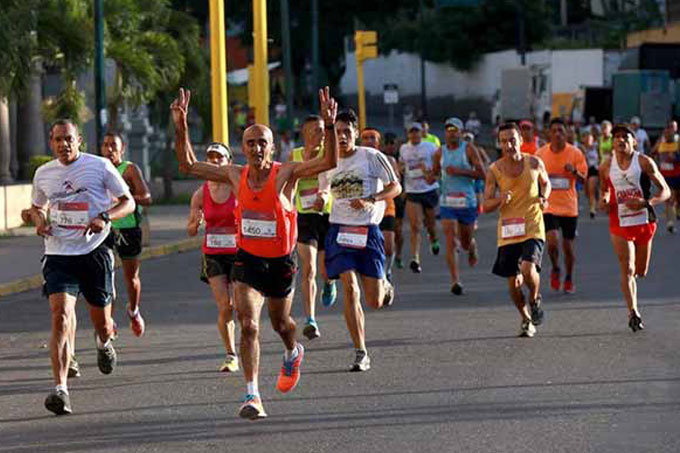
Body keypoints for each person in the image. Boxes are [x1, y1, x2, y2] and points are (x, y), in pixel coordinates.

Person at [172, 87, 339, 420]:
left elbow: (329, 161)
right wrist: (181, 126)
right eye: (250, 142)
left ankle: (293, 351)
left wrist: (330, 127)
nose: (257, 148)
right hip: (247, 258)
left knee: (281, 323)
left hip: (280, 262)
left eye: (263, 142)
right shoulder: (236, 174)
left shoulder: (287, 172)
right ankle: (253, 395)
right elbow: (189, 165)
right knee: (247, 324)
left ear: (272, 148)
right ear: (243, 148)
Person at [22, 119, 134, 415]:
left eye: (68, 139)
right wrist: (38, 220)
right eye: (58, 140)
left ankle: (103, 343)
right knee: (60, 316)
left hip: (94, 252)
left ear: (79, 140)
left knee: (102, 322)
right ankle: (60, 389)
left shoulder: (99, 166)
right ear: (51, 142)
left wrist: (105, 218)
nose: (63, 145)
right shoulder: (44, 173)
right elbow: (36, 207)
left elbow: (129, 202)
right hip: (58, 253)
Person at [320, 109, 401, 371]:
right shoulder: (327, 162)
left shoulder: (371, 156)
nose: (342, 137)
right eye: (337, 132)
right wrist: (322, 199)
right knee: (350, 288)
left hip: (368, 231)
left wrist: (371, 199)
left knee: (375, 301)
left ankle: (384, 284)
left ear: (355, 133)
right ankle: (360, 351)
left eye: (346, 131)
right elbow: (322, 190)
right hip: (340, 231)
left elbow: (395, 187)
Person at [599, 124, 670, 331]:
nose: (620, 140)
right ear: (612, 142)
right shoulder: (606, 165)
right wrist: (604, 200)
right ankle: (633, 312)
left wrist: (646, 202)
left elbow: (665, 191)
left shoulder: (644, 162)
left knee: (640, 270)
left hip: (644, 221)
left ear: (634, 141)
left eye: (625, 137)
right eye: (617, 137)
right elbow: (605, 189)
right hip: (619, 223)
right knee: (627, 269)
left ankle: (633, 294)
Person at [484, 122, 550, 337]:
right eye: (504, 141)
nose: (509, 145)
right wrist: (499, 199)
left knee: (528, 269)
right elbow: (486, 205)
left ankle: (535, 298)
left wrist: (543, 196)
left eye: (512, 140)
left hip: (532, 224)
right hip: (509, 230)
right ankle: (525, 318)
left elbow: (546, 183)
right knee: (513, 283)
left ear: (521, 140)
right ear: (499, 143)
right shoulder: (494, 170)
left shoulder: (534, 163)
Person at [187, 143, 240, 372]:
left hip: (238, 253)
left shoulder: (238, 188)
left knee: (241, 306)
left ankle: (247, 338)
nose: (214, 161)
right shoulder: (200, 194)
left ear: (228, 161)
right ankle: (231, 354)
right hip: (213, 253)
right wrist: (195, 223)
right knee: (225, 307)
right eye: (210, 157)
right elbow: (190, 229)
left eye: (219, 157)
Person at [290, 115, 337, 340]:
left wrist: (323, 193)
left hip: (326, 215)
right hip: (305, 217)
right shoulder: (295, 155)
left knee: (326, 269)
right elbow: (290, 182)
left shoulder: (328, 152)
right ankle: (310, 319)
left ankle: (329, 283)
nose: (320, 134)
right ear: (305, 133)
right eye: (315, 130)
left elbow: (326, 178)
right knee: (308, 269)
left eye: (322, 129)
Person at [100, 132, 151, 337]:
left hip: (129, 228)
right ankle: (108, 321)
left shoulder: (129, 169)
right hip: (105, 228)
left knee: (130, 277)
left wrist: (125, 200)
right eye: (105, 145)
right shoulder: (98, 169)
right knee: (105, 276)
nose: (109, 149)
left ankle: (133, 311)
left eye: (113, 145)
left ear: (122, 149)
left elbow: (146, 197)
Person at [435, 118, 486, 294]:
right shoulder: (439, 152)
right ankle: (455, 280)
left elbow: (482, 174)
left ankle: (471, 247)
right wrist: (426, 175)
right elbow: (434, 174)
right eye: (448, 129)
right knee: (450, 239)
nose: (451, 133)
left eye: (455, 129)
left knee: (464, 242)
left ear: (461, 132)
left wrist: (460, 172)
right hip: (447, 202)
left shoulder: (469, 149)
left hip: (467, 202)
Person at [537, 118, 587, 294]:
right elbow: (533, 178)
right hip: (548, 206)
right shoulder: (541, 154)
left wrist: (573, 171)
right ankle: (556, 268)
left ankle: (569, 277)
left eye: (561, 131)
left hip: (569, 207)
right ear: (549, 134)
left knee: (567, 247)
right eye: (554, 131)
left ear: (566, 134)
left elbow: (583, 179)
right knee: (552, 241)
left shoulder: (575, 153)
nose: (557, 134)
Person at [398, 122, 440, 273]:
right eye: (411, 132)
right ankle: (415, 258)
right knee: (415, 226)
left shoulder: (430, 147)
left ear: (421, 133)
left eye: (417, 132)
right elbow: (400, 165)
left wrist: (430, 171)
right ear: (408, 134)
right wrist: (401, 169)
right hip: (412, 191)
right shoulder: (404, 148)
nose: (414, 135)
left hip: (429, 189)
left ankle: (434, 239)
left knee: (431, 224)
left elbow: (438, 164)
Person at [361, 127, 400, 285]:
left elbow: (396, 183)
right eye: (366, 138)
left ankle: (387, 270)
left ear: (378, 142)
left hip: (386, 205)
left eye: (373, 138)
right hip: (365, 209)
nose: (369, 141)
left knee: (389, 246)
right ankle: (374, 274)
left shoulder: (388, 160)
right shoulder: (356, 159)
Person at [651, 120, 680, 233]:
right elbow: (653, 153)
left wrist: (676, 158)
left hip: (677, 175)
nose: (668, 134)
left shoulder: (678, 141)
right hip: (665, 176)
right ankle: (670, 223)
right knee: (669, 199)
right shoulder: (660, 142)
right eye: (666, 132)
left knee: (677, 197)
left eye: (670, 131)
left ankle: (677, 210)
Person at [579, 128, 600, 219]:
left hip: (594, 169)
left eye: (590, 139)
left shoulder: (596, 147)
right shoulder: (581, 148)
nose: (588, 141)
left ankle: (592, 209)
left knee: (591, 189)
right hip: (585, 170)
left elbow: (600, 156)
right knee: (587, 191)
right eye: (586, 139)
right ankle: (595, 198)